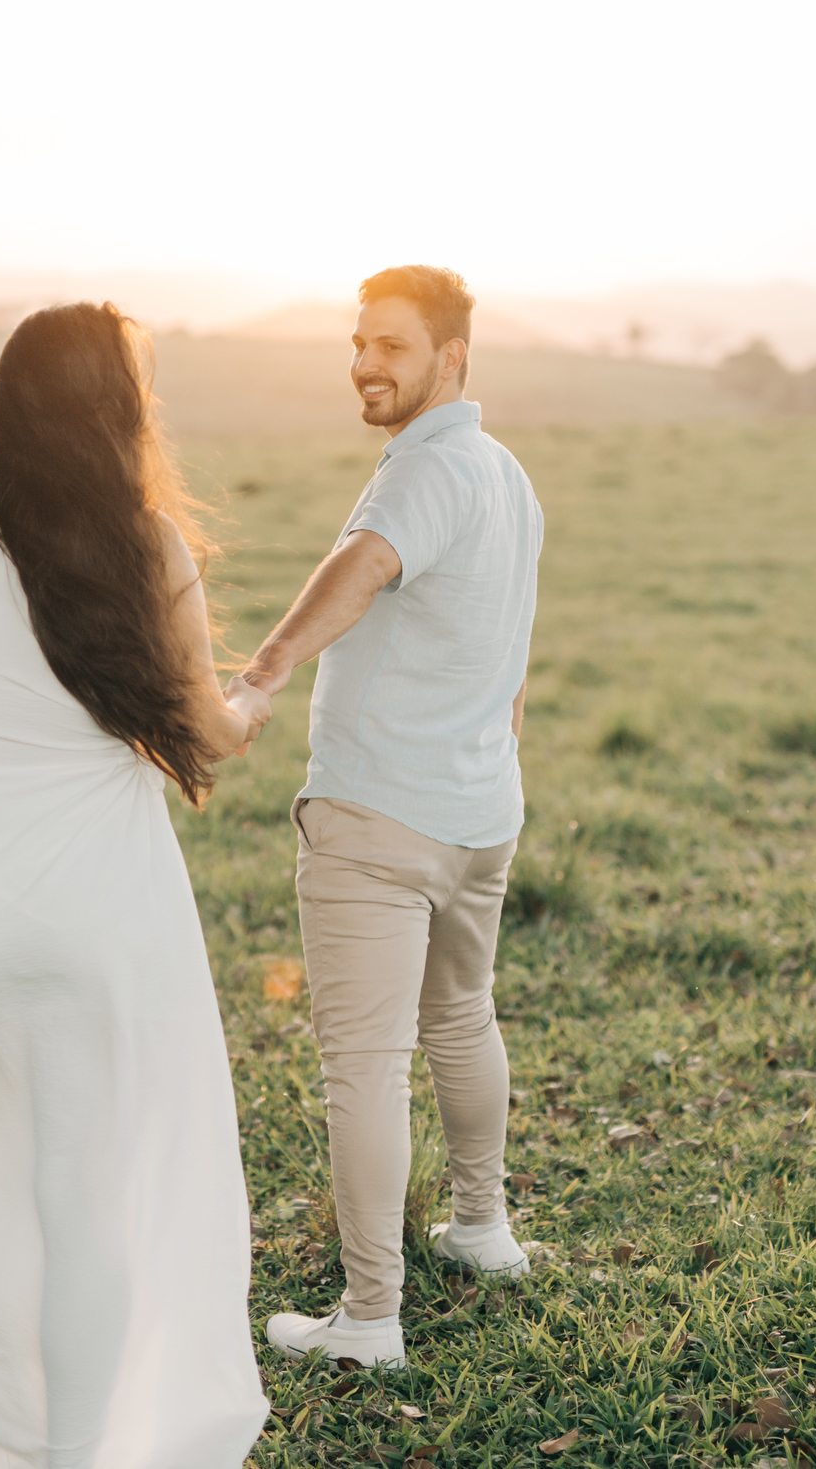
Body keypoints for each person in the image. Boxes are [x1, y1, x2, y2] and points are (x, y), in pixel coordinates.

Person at [0, 303, 272, 1469]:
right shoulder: (152, 545)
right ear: (118, 410)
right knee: (94, 1173)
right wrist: (251, 708)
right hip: (100, 900)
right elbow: (203, 727)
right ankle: (97, 1439)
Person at [241, 264, 543, 1370]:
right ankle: (482, 1228)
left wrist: (263, 672)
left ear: (452, 358)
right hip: (479, 811)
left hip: (379, 814)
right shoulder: (511, 477)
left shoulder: (423, 470)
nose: (369, 363)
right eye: (360, 341)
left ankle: (369, 1316)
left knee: (363, 1064)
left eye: (394, 346)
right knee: (461, 1017)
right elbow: (509, 663)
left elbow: (359, 567)